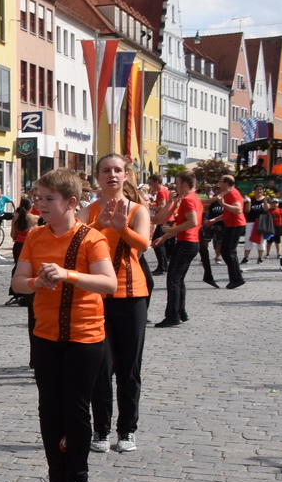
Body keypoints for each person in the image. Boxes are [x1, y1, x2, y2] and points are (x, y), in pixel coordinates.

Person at [12, 170, 118, 482]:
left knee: (75, 410)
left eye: (49, 199)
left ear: (71, 202)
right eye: (39, 198)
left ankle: (78, 478)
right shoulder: (35, 236)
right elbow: (17, 281)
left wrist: (68, 275)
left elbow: (108, 284)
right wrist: (35, 284)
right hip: (45, 335)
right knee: (48, 409)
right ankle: (55, 477)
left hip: (84, 336)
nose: (40, 204)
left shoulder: (91, 239)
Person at [82, 155, 151, 455]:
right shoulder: (89, 211)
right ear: (97, 176)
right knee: (100, 366)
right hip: (97, 295)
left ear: (126, 176)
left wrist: (121, 227)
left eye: (118, 170)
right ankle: (101, 430)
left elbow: (143, 245)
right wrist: (100, 223)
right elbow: (77, 241)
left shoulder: (138, 209)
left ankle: (127, 430)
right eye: (106, 170)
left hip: (132, 293)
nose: (112, 175)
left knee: (129, 367)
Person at [152, 172, 201, 328]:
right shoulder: (193, 198)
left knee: (173, 279)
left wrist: (168, 231)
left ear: (185, 184)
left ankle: (172, 315)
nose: (176, 186)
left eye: (178, 183)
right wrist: (165, 236)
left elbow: (192, 222)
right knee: (178, 279)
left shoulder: (187, 200)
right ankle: (180, 312)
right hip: (191, 242)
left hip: (186, 242)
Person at [214, 174, 247, 289]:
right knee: (227, 251)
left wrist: (223, 204)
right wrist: (214, 219)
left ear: (226, 183)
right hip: (233, 225)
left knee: (228, 251)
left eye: (221, 181)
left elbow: (238, 209)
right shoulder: (228, 193)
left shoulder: (233, 194)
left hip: (236, 225)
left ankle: (237, 278)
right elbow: (227, 212)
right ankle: (236, 275)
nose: (219, 183)